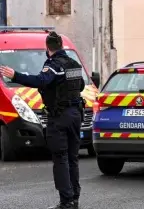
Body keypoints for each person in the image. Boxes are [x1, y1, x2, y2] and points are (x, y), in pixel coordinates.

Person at [0, 31, 85, 209]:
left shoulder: (53, 65)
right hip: (76, 115)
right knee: (72, 158)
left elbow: (41, 80)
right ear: (61, 45)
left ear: (48, 48)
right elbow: (82, 85)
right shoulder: (74, 64)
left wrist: (15, 75)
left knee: (60, 158)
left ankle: (66, 201)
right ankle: (75, 198)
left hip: (59, 116)